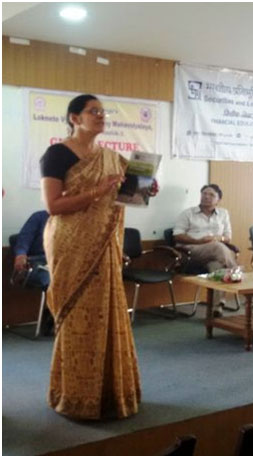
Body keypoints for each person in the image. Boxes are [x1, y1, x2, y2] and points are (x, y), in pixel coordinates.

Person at [40, 94, 152, 420]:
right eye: (93, 111)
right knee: (78, 317)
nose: (101, 116)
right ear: (75, 118)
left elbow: (127, 197)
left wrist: (144, 187)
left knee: (106, 312)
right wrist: (99, 190)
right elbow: (53, 206)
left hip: (103, 245)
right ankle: (75, 396)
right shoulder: (57, 154)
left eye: (103, 111)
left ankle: (109, 393)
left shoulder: (112, 159)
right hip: (69, 245)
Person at [173, 184, 237, 317]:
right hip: (192, 251)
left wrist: (218, 237)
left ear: (218, 199)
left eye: (211, 195)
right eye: (204, 194)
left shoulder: (223, 213)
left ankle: (216, 307)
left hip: (216, 254)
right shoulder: (188, 213)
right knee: (217, 246)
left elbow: (228, 237)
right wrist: (199, 241)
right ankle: (236, 273)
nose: (206, 197)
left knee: (218, 268)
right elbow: (177, 235)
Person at [12, 210, 54, 335]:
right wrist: (20, 255)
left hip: (61, 262)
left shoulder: (74, 218)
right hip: (37, 262)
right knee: (52, 279)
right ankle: (51, 314)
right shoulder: (39, 217)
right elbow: (23, 239)